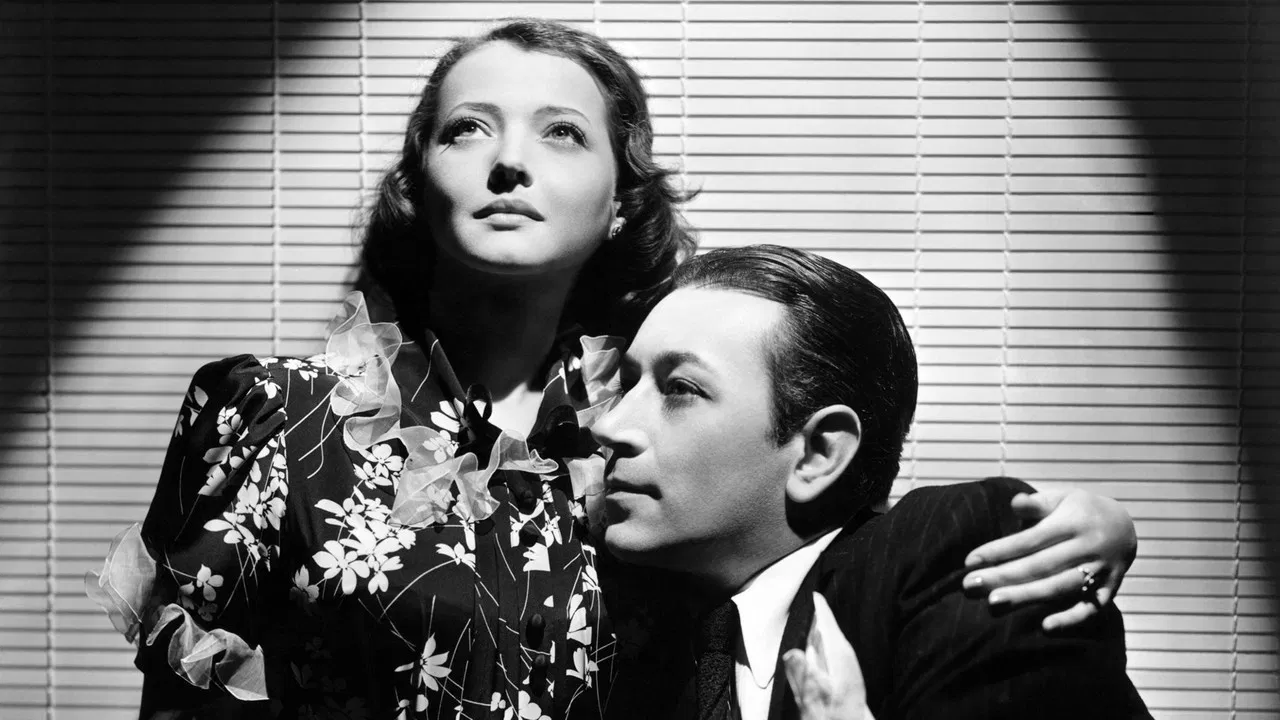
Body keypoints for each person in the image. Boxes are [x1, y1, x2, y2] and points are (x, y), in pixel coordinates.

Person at [86, 18, 1139, 720]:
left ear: (622, 202)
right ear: (415, 185)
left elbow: (811, 524)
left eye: (561, 133)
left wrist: (1067, 525)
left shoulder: (636, 422)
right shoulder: (273, 410)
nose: (508, 161)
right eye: (466, 130)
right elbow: (187, 700)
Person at [591, 244, 1152, 720]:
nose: (610, 426)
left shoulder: (957, 556)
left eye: (680, 389)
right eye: (627, 384)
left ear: (818, 453)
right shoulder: (645, 641)